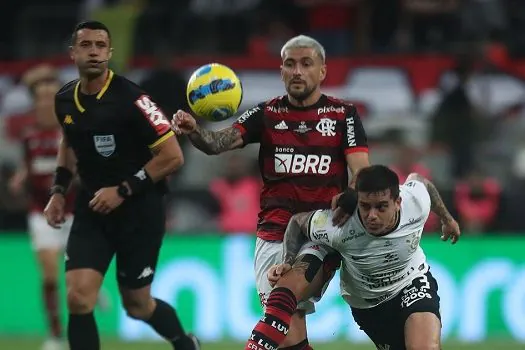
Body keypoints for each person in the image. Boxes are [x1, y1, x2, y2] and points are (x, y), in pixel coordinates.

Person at [173, 34, 370, 349]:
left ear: (322, 71)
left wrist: (350, 199)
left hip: (320, 230)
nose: (297, 71)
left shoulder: (342, 115)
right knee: (290, 333)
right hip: (273, 233)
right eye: (290, 64)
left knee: (284, 298)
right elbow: (217, 144)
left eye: (306, 64)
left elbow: (361, 172)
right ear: (281, 71)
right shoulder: (266, 114)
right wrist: (195, 131)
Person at [43, 21, 199, 350]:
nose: (94, 51)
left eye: (101, 45)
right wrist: (58, 192)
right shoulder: (64, 100)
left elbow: (172, 156)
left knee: (137, 305)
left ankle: (185, 343)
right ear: (73, 53)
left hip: (139, 210)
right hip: (94, 207)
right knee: (78, 297)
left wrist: (123, 190)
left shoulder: (134, 99)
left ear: (110, 53)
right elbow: (69, 144)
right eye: (86, 45)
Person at [260, 165, 461, 350]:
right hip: (368, 304)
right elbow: (297, 223)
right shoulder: (339, 224)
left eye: (381, 207)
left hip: (412, 282)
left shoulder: (415, 203)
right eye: (365, 206)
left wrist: (447, 219)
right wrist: (287, 261)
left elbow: (421, 182)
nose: (372, 215)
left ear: (398, 202)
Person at [8, 70, 75, 350]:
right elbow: (30, 163)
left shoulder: (71, 130)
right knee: (49, 275)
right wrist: (21, 177)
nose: (47, 103)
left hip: (73, 212)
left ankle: (91, 295)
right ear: (34, 103)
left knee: (77, 280)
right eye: (42, 98)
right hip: (41, 211)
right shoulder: (29, 135)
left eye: (51, 97)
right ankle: (56, 335)